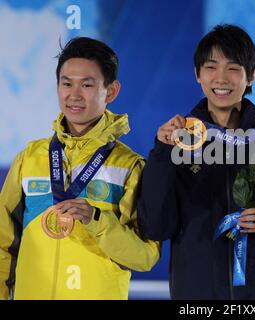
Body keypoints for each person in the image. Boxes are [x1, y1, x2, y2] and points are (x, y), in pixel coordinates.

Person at [137, 24, 255, 299]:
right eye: (211, 67)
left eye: (233, 68)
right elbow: (154, 227)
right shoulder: (177, 145)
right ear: (198, 74)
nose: (221, 78)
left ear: (252, 76)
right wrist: (162, 153)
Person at [0, 37, 161, 299]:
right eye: (66, 83)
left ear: (111, 91)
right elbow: (2, 242)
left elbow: (145, 257)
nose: (74, 95)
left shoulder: (129, 167)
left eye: (87, 84)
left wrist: (97, 220)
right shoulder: (29, 158)